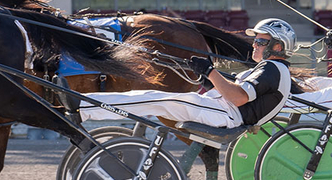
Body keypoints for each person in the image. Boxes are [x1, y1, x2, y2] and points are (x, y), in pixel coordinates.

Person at [77, 18, 295, 130]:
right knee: (155, 100)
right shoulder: (271, 70)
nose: (254, 45)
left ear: (277, 47)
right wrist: (207, 78)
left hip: (225, 114)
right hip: (219, 109)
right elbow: (235, 92)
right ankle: (85, 106)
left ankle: (83, 108)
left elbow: (238, 97)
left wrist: (210, 72)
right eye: (255, 40)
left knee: (156, 98)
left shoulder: (271, 69)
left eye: (260, 41)